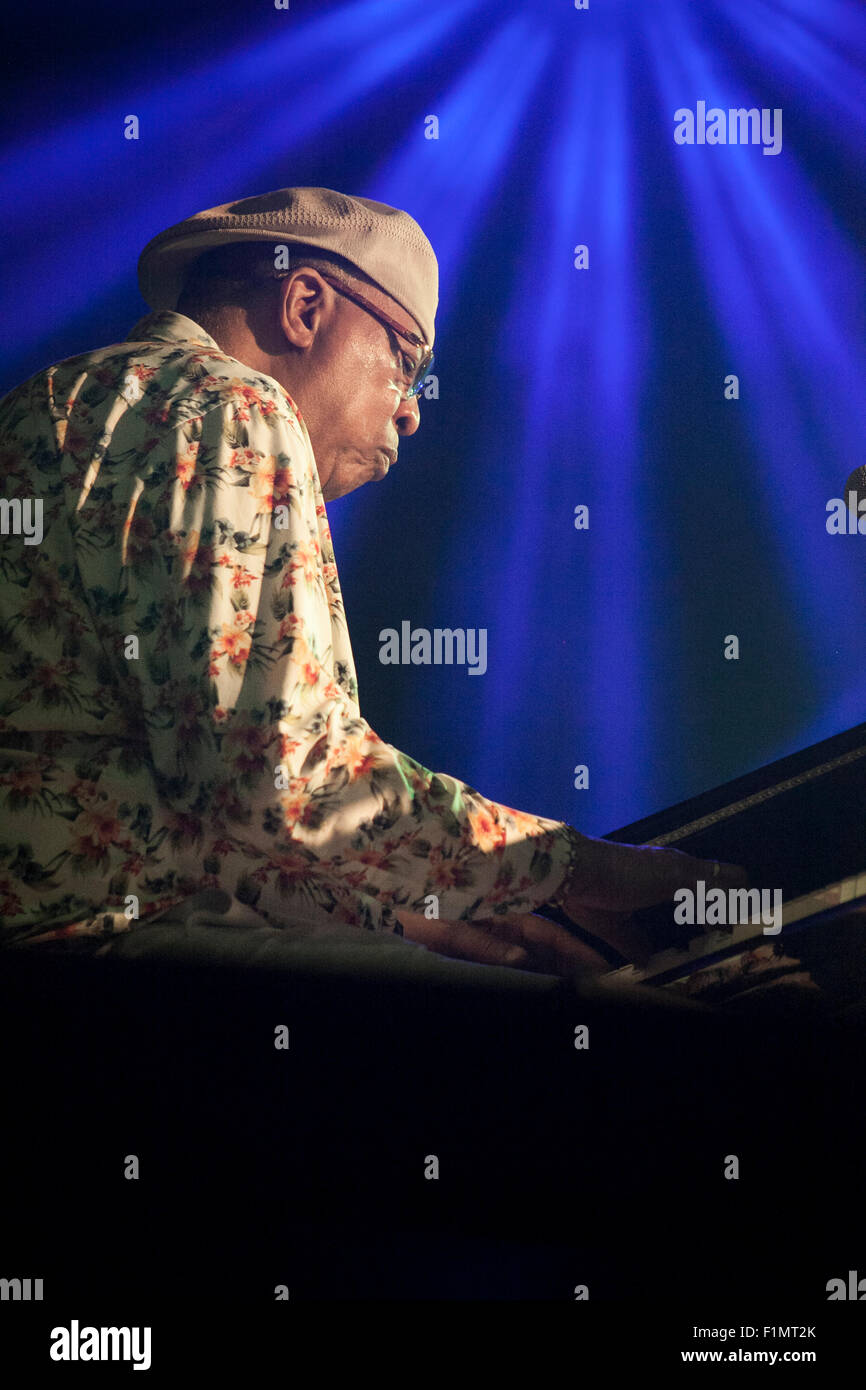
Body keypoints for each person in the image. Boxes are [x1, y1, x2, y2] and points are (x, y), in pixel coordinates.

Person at [0, 186, 746, 979]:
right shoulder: (237, 405)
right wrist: (578, 869)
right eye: (405, 362)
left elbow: (193, 794)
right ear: (306, 305)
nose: (413, 412)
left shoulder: (41, 406)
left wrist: (400, 904)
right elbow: (287, 779)